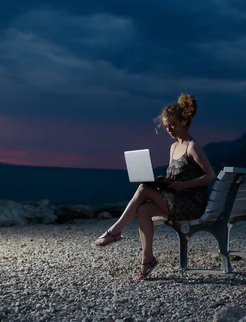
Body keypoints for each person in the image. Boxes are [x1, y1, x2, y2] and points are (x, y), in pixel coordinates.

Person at [92, 93, 217, 281]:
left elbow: (210, 176)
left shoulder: (193, 146)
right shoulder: (173, 147)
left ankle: (114, 232)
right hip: (176, 199)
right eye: (166, 126)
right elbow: (173, 176)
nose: (168, 130)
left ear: (184, 121)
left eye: (172, 125)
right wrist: (163, 181)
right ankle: (147, 260)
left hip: (190, 203)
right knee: (143, 210)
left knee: (143, 189)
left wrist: (183, 185)